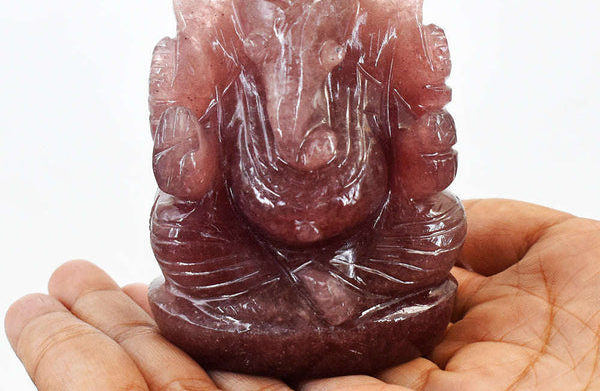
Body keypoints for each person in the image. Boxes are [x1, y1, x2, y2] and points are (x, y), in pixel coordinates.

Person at [5, 199, 600, 390]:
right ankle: (313, 287)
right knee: (177, 223)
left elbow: (415, 180)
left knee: (438, 217)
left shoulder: (370, 59)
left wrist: (421, 122)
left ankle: (325, 286)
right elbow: (193, 190)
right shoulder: (226, 63)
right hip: (252, 259)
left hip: (360, 254)